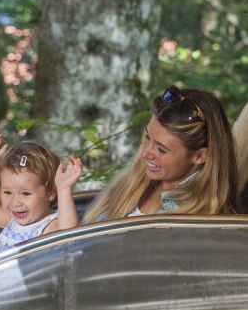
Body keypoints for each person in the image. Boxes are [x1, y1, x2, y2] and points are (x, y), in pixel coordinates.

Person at [83, 85, 239, 224]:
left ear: (200, 156)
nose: (145, 153)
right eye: (147, 137)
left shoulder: (200, 224)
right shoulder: (132, 183)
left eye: (161, 149)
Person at [0, 128, 83, 250]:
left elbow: (68, 234)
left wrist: (63, 189)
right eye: (7, 192)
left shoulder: (48, 227)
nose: (15, 202)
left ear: (50, 192)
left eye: (25, 193)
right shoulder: (12, 222)